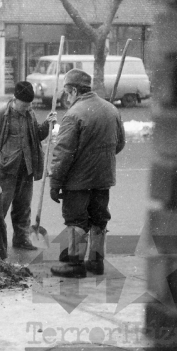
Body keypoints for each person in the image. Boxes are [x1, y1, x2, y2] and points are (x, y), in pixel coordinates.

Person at [49, 69, 125, 278]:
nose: (66, 97)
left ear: (73, 90)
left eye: (66, 93)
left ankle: (75, 264)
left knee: (76, 220)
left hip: (78, 181)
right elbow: (119, 144)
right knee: (99, 219)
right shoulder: (111, 110)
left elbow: (63, 154)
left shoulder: (74, 115)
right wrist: (99, 158)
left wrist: (55, 183)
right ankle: (95, 261)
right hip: (103, 178)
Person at [0, 81, 57, 251]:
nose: (28, 107)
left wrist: (47, 125)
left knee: (23, 208)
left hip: (26, 169)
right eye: (25, 104)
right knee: (0, 207)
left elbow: (36, 135)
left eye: (30, 104)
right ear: (15, 99)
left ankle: (21, 238)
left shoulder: (29, 114)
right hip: (5, 171)